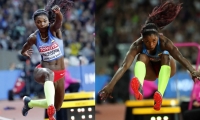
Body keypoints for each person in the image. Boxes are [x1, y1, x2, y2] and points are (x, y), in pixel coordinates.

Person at [99, 1, 200, 111]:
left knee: (165, 55)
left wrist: (192, 71)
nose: (151, 44)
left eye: (154, 41)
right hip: (149, 72)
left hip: (168, 69)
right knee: (141, 56)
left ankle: (159, 95)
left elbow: (180, 57)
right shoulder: (137, 45)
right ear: (142, 39)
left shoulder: (165, 42)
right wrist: (110, 85)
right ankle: (139, 86)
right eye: (147, 42)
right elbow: (124, 66)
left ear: (158, 36)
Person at [20, 0, 73, 120]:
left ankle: (29, 103)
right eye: (38, 22)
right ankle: (50, 111)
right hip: (42, 71)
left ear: (48, 21)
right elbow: (25, 46)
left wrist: (58, 13)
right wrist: (23, 52)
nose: (42, 24)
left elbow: (59, 22)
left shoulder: (54, 30)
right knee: (49, 74)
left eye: (44, 21)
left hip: (60, 74)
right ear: (35, 23)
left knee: (58, 105)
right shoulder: (34, 37)